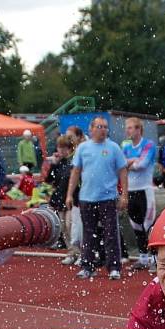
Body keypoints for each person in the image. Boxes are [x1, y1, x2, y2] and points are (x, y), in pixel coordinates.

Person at [65, 116, 128, 280]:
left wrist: (124, 195)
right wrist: (69, 194)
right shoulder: (83, 148)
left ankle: (114, 267)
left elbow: (123, 171)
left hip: (107, 198)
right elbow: (76, 171)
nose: (103, 130)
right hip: (87, 198)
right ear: (91, 129)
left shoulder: (114, 148)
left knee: (110, 233)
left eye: (105, 127)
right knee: (88, 234)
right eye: (99, 126)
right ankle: (87, 266)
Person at [122, 117, 158, 272]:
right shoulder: (126, 147)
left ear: (138, 129)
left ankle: (155, 259)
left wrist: (129, 163)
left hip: (145, 190)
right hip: (131, 191)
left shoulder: (148, 145)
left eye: (130, 128)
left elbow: (141, 165)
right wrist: (132, 161)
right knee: (136, 225)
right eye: (127, 128)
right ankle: (143, 257)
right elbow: (121, 165)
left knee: (149, 225)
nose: (127, 131)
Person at [45, 135, 80, 262]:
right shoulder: (59, 163)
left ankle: (79, 252)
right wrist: (53, 165)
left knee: (72, 226)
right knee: (63, 227)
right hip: (59, 198)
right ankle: (71, 252)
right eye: (59, 147)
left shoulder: (74, 161)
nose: (61, 151)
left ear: (70, 148)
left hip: (71, 197)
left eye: (64, 148)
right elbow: (49, 180)